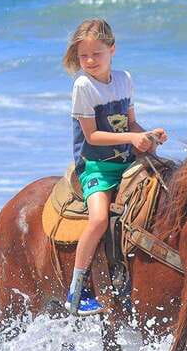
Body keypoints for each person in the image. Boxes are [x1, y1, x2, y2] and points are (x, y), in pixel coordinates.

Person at [62, 18, 167, 315]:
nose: (89, 61)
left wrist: (148, 136)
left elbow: (131, 123)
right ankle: (77, 290)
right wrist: (132, 137)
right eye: (83, 55)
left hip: (126, 161)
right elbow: (92, 135)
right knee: (98, 220)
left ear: (112, 49)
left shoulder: (124, 79)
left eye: (96, 53)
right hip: (95, 165)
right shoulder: (83, 85)